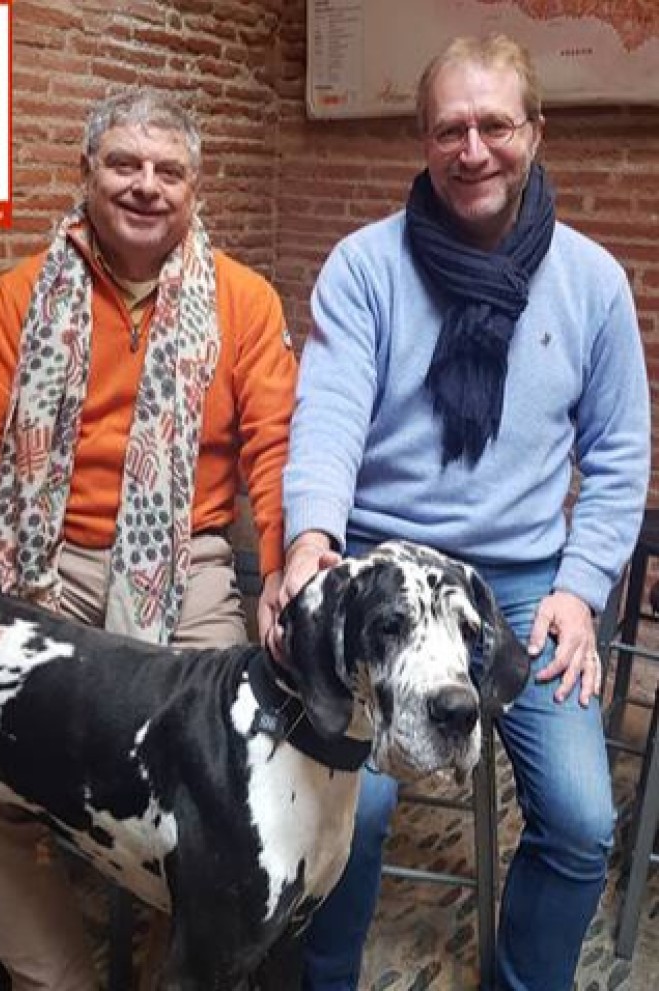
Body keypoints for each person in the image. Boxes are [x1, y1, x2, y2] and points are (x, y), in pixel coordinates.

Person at [0, 89, 297, 991]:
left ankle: (173, 972)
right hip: (49, 567)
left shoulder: (242, 301)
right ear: (85, 174)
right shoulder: (21, 296)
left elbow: (276, 453)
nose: (146, 185)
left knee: (227, 776)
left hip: (190, 568)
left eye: (168, 171)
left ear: (194, 189)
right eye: (123, 164)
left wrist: (280, 571)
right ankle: (55, 977)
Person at [276, 34, 650, 991]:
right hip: (380, 567)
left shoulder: (592, 282)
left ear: (535, 131)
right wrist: (311, 542)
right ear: (424, 140)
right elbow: (326, 418)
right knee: (348, 806)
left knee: (580, 819)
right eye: (449, 129)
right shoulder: (364, 268)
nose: (472, 149)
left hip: (520, 585)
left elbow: (617, 458)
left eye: (494, 125)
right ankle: (322, 980)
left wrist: (580, 588)